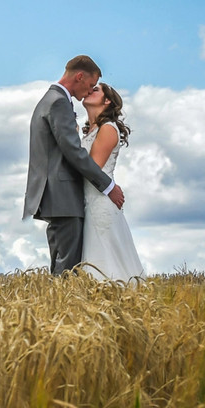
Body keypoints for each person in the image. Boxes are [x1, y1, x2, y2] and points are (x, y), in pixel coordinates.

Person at [23, 55, 125, 275]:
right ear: (79, 76)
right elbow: (73, 152)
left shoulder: (52, 99)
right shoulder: (59, 101)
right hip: (63, 196)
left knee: (61, 265)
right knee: (67, 267)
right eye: (90, 86)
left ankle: (56, 306)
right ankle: (59, 308)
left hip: (58, 196)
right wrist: (108, 186)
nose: (88, 91)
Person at [79, 82, 144, 281]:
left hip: (100, 204)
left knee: (104, 261)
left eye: (95, 90)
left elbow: (92, 167)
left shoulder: (107, 129)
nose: (89, 91)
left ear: (107, 101)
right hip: (88, 202)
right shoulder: (91, 131)